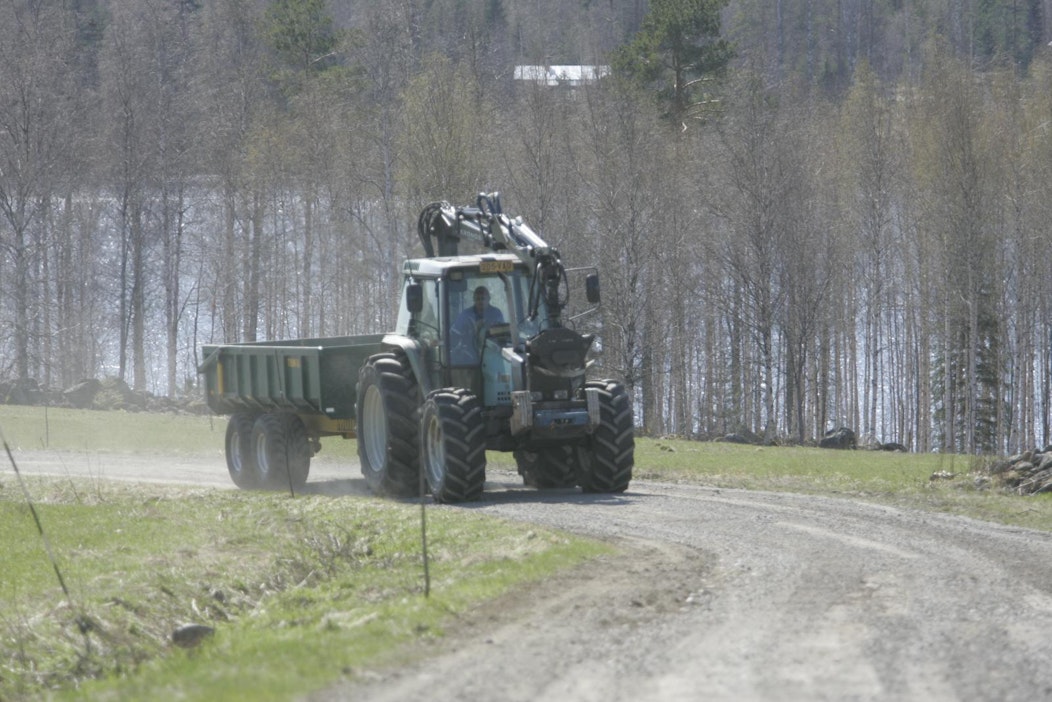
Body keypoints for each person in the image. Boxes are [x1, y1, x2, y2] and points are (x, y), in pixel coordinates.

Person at [450, 285, 505, 364]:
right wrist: (472, 330)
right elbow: (454, 336)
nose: (480, 302)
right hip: (470, 357)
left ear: (489, 299)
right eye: (478, 299)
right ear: (474, 300)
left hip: (493, 355)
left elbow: (503, 334)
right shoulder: (465, 315)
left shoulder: (496, 314)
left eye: (483, 299)